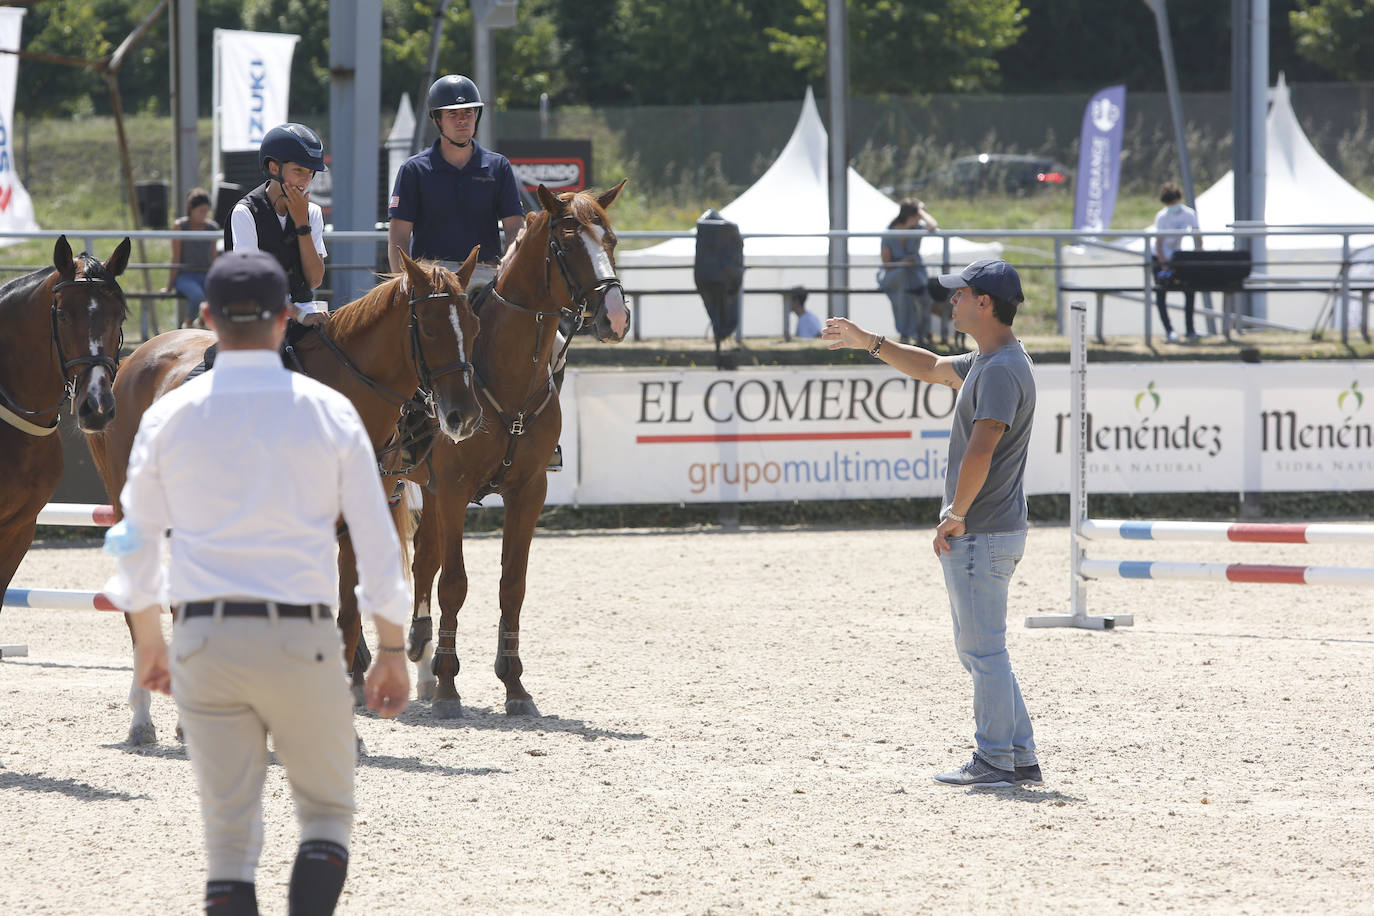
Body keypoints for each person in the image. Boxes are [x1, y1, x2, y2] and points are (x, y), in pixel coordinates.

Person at [104, 249, 413, 915]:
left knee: (229, 847)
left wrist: (149, 643)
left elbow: (132, 536)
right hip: (301, 640)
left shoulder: (166, 417)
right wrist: (391, 648)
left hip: (205, 645)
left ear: (210, 318)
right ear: (284, 321)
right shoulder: (332, 414)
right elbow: (378, 544)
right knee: (327, 815)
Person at [821, 257, 1041, 789]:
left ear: (984, 303)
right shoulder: (994, 361)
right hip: (994, 528)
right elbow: (929, 366)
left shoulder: (1001, 369)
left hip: (981, 528)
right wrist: (868, 341)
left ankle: (994, 760)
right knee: (984, 647)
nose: (952, 302)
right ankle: (1019, 753)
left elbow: (981, 451)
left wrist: (954, 515)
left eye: (961, 294)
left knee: (981, 649)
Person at [387, 74, 524, 290]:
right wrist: (403, 284)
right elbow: (399, 236)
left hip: (486, 274)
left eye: (468, 112)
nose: (462, 119)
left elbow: (515, 227)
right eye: (453, 114)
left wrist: (508, 267)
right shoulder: (413, 170)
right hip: (431, 277)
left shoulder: (499, 166)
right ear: (437, 119)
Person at [226, 122, 330, 330]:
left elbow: (315, 280)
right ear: (274, 168)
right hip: (254, 315)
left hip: (304, 309)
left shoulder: (313, 213)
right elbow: (253, 284)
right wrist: (299, 316)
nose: (305, 180)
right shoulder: (245, 212)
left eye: (311, 173)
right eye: (298, 170)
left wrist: (302, 225)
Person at [878, 199, 938, 346]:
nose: (920, 216)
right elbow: (887, 265)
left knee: (924, 297)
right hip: (895, 276)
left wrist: (922, 211)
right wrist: (902, 263)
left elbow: (933, 226)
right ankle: (906, 332)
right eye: (918, 213)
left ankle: (921, 334)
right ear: (911, 214)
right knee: (903, 290)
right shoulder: (889, 234)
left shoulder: (917, 229)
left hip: (916, 275)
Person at [1151, 181, 1205, 343]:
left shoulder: (1188, 214)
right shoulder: (1162, 216)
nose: (1173, 206)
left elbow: (1198, 237)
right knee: (1161, 293)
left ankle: (1190, 329)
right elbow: (1158, 244)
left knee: (1189, 291)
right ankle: (1169, 330)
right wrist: (1163, 264)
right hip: (1160, 257)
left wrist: (1197, 256)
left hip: (1177, 257)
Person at [164, 187, 218, 328]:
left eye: (206, 211)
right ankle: (187, 325)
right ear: (191, 209)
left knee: (218, 294)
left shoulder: (212, 228)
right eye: (201, 211)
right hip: (185, 276)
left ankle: (201, 323)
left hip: (205, 275)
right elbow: (175, 257)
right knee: (197, 296)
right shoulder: (180, 226)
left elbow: (214, 258)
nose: (204, 215)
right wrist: (169, 287)